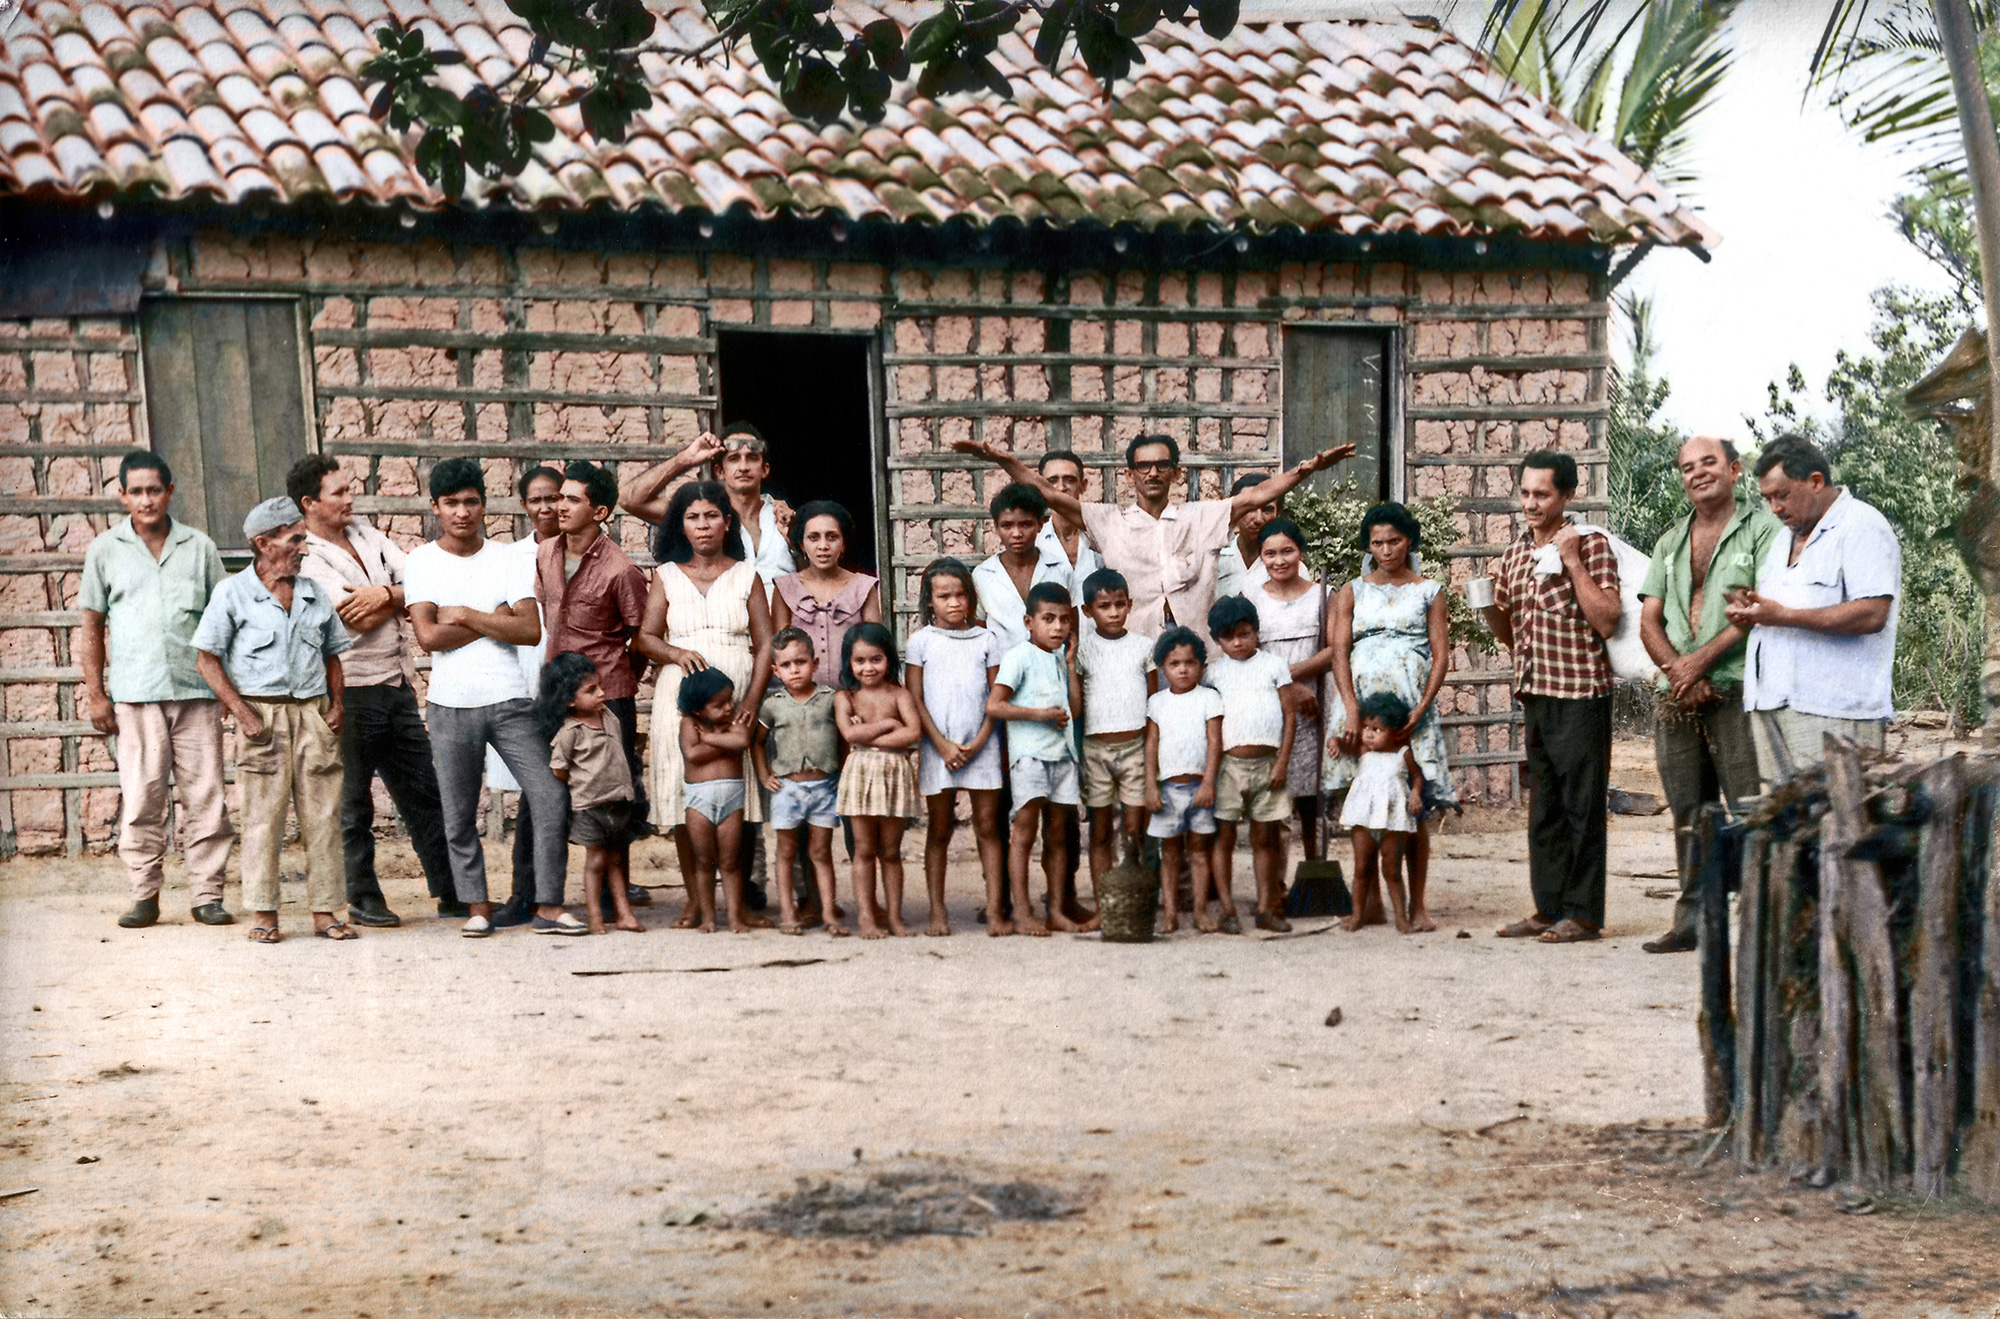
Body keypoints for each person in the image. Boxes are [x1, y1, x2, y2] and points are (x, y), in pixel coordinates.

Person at [952, 432, 1353, 648]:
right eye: (1143, 466)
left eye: (1162, 465)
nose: (1153, 473)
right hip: (1133, 653)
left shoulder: (1202, 516)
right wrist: (1000, 459)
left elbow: (1258, 495)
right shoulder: (1109, 520)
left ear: (1176, 473)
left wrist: (1310, 467)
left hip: (1199, 654)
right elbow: (1049, 493)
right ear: (1129, 475)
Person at [403, 458, 581, 939]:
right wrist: (491, 615)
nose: (463, 512)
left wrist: (462, 614)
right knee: (459, 811)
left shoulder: (507, 558)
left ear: (485, 503)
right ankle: (477, 906)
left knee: (548, 794)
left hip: (509, 700)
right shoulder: (421, 561)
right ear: (436, 507)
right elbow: (428, 637)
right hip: (450, 703)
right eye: (452, 503)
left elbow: (527, 629)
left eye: (472, 502)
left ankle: (548, 903)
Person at [290, 454, 455, 927]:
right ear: (309, 503)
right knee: (353, 802)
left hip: (396, 683)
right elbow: (347, 616)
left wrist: (385, 594)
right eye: (338, 492)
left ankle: (451, 890)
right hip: (349, 690)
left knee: (425, 792)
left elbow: (426, 582)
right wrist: (398, 594)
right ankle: (362, 896)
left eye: (348, 489)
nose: (350, 498)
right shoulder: (307, 556)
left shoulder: (367, 535)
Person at [1637, 437, 1783, 955]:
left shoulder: (1765, 530)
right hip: (1675, 693)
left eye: (1708, 463)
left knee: (1748, 806)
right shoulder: (1671, 540)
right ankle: (1693, 919)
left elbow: (1760, 609)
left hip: (1739, 688)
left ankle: (1757, 925)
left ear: (1734, 469)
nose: (1697, 474)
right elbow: (1649, 619)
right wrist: (1680, 671)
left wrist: (1699, 664)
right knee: (1688, 810)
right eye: (1686, 468)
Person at [81, 452, 233, 931]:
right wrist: (95, 693)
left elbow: (221, 620)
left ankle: (207, 895)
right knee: (143, 795)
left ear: (170, 491)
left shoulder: (199, 547)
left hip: (196, 692)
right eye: (136, 491)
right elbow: (91, 626)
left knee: (206, 795)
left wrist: (229, 692)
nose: (146, 500)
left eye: (155, 490)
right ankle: (144, 894)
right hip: (136, 694)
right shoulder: (105, 551)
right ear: (122, 495)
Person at [191, 498, 352, 944]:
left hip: (313, 715)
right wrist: (242, 712)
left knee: (324, 816)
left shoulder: (314, 592)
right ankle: (264, 914)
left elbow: (333, 654)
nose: (304, 547)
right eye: (295, 538)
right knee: (263, 819)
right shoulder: (232, 593)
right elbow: (207, 660)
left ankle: (326, 912)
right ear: (263, 544)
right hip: (262, 717)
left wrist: (336, 706)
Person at [1482, 451, 1622, 946]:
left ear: (1567, 495)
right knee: (1545, 808)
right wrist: (1486, 606)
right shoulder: (1515, 552)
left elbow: (1607, 619)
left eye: (1542, 494)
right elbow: (1508, 630)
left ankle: (1583, 914)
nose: (1531, 503)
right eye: (1525, 493)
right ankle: (1548, 908)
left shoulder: (1591, 545)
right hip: (1536, 691)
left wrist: (1570, 559)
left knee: (1582, 806)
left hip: (1581, 692)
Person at [1726, 434, 1901, 784]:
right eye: (1768, 498)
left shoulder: (1861, 525)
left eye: (1783, 495)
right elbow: (1782, 607)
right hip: (1772, 705)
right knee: (1785, 829)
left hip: (1834, 713)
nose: (1775, 507)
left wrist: (1783, 616)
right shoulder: (1782, 540)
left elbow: (1872, 614)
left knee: (1838, 827)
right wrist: (1753, 608)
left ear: (1816, 481)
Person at [637, 482, 775, 914]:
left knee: (741, 789)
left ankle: (739, 903)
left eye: (711, 516)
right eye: (693, 517)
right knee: (683, 793)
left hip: (736, 693)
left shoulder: (746, 575)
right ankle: (696, 902)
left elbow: (766, 643)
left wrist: (752, 698)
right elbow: (644, 636)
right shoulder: (667, 576)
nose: (703, 526)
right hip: (680, 697)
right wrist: (676, 653)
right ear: (682, 525)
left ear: (727, 522)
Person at [1326, 503, 1457, 927]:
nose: (1386, 550)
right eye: (1378, 543)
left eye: (1395, 541)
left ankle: (1417, 906)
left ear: (1410, 542)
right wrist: (1349, 708)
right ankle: (1371, 902)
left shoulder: (1429, 591)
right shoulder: (1351, 591)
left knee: (1412, 809)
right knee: (1365, 799)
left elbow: (1441, 656)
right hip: (1362, 709)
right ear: (1368, 545)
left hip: (1411, 706)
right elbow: (1340, 653)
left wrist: (1421, 707)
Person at [536, 462, 651, 919]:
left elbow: (639, 637)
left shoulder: (621, 568)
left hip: (607, 697)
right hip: (557, 693)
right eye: (560, 497)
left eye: (572, 499)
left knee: (611, 795)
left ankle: (613, 901)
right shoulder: (545, 553)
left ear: (599, 511)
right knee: (550, 787)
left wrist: (617, 686)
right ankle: (543, 893)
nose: (559, 506)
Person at [487, 464, 581, 928]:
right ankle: (525, 891)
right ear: (524, 506)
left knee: (588, 782)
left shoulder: (580, 550)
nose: (548, 507)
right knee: (537, 790)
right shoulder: (511, 558)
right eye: (537, 500)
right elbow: (504, 620)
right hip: (529, 679)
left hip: (574, 683)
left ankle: (606, 885)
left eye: (556, 498)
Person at [905, 559, 1005, 938]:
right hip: (937, 746)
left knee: (987, 827)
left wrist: (979, 741)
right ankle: (937, 912)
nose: (953, 603)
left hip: (983, 742)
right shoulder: (921, 642)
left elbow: (997, 695)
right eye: (943, 596)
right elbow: (914, 696)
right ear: (929, 602)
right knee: (940, 829)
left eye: (960, 594)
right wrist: (942, 745)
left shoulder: (987, 639)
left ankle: (995, 910)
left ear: (971, 597)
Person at [985, 582, 1082, 936]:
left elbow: (1075, 708)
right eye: (1048, 619)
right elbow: (995, 705)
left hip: (1062, 756)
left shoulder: (1061, 657)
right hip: (1030, 758)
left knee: (1058, 835)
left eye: (1064, 620)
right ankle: (1023, 912)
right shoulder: (1019, 656)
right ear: (1029, 622)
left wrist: (1070, 664)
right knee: (1024, 833)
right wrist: (1038, 715)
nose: (1057, 627)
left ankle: (1055, 909)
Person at [1202, 595, 1298, 933]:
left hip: (1268, 764)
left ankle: (1265, 907)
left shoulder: (1274, 666)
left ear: (1256, 631)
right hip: (1229, 766)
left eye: (1245, 634)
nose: (1238, 643)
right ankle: (1228, 908)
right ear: (1218, 640)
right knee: (1224, 837)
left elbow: (1290, 715)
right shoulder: (1214, 673)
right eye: (1229, 638)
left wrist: (1282, 762)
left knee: (1263, 838)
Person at [538, 653, 643, 936]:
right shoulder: (570, 731)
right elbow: (559, 769)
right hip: (590, 807)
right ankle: (595, 915)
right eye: (591, 690)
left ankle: (624, 914)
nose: (602, 693)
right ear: (569, 700)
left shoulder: (609, 717)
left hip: (618, 803)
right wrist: (586, 782)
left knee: (617, 859)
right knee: (596, 861)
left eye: (599, 686)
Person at [618, 425, 795, 585]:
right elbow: (628, 499)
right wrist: (686, 458)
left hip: (785, 619)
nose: (743, 467)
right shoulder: (704, 517)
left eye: (752, 458)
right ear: (719, 471)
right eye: (733, 458)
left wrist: (793, 536)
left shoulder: (784, 517)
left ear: (765, 470)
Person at [1248, 520, 1332, 855]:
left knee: (1310, 793)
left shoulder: (1323, 595)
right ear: (1261, 557)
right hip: (1269, 701)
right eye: (1270, 553)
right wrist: (1288, 686)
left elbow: (1334, 649)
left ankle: (1314, 860)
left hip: (1314, 701)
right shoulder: (1251, 598)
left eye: (1287, 551)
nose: (1279, 560)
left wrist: (1296, 679)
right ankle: (1274, 882)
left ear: (1301, 552)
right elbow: (1248, 654)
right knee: (1273, 791)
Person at [835, 622, 924, 938]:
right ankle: (866, 918)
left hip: (893, 775)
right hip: (860, 776)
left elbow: (913, 732)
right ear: (849, 662)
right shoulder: (846, 698)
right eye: (860, 661)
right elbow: (849, 733)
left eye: (876, 659)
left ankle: (896, 918)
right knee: (863, 850)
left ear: (889, 659)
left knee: (890, 850)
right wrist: (888, 725)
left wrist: (869, 736)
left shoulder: (900, 694)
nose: (868, 667)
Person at [1071, 568, 1156, 900]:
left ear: (1130, 605)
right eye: (1104, 606)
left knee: (1135, 829)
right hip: (1096, 749)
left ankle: (1133, 895)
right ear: (1087, 611)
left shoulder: (1144, 647)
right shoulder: (1082, 651)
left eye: (1119, 604)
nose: (1113, 612)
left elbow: (1153, 703)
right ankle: (1104, 899)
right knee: (1100, 828)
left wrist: (1152, 750)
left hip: (1135, 746)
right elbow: (1076, 703)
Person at [753, 628, 843, 936]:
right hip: (787, 789)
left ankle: (830, 914)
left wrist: (840, 772)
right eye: (787, 665)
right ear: (775, 670)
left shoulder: (831, 699)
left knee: (821, 852)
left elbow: (843, 738)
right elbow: (757, 742)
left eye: (801, 662)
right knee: (786, 852)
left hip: (823, 788)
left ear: (814, 663)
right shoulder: (773, 704)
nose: (795, 670)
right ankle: (789, 914)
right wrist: (764, 774)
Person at [1143, 627, 1222, 935]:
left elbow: (1214, 743)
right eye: (1174, 664)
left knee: (1200, 852)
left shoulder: (1209, 698)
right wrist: (1151, 784)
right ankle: (1171, 914)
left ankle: (1200, 911)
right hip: (1168, 789)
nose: (1183, 669)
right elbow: (1151, 745)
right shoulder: (1158, 702)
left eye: (1189, 663)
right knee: (1171, 853)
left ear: (1201, 665)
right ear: (1163, 667)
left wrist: (1208, 783)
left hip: (1199, 787)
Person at [677, 668, 759, 933]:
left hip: (731, 799)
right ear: (699, 710)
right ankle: (709, 917)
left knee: (730, 862)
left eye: (730, 699)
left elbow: (742, 739)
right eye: (719, 704)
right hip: (699, 800)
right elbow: (693, 753)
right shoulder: (688, 723)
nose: (729, 707)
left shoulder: (731, 718)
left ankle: (735, 917)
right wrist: (725, 741)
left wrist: (710, 738)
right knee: (703, 861)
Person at [1339, 693, 1429, 934]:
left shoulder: (1402, 754)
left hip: (1392, 819)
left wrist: (1415, 794)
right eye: (1366, 727)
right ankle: (1357, 914)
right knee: (1361, 869)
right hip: (1363, 817)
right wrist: (1334, 744)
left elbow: (1418, 776)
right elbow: (1343, 745)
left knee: (1391, 870)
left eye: (1377, 729)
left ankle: (1401, 916)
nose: (1368, 733)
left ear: (1395, 732)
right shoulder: (1363, 752)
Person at [772, 500, 882, 690]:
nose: (823, 546)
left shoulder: (863, 587)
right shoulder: (785, 589)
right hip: (803, 703)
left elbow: (876, 645)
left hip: (855, 698)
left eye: (832, 537)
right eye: (813, 537)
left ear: (843, 543)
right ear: (801, 543)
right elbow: (780, 650)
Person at [972, 483, 1077, 653]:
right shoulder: (983, 574)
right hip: (1003, 673)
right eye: (1007, 526)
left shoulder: (1059, 568)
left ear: (1040, 525)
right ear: (996, 528)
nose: (1016, 534)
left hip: (1052, 671)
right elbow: (979, 629)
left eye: (1026, 525)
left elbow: (1071, 622)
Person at [1033, 451, 1103, 589]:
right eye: (1052, 481)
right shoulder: (1036, 542)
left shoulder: (1102, 536)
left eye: (1069, 480)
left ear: (1083, 486)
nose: (1061, 488)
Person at [1215, 473, 1279, 599]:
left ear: (1278, 513)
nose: (1258, 519)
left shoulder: (1289, 566)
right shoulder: (1215, 561)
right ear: (1234, 511)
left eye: (1267, 509)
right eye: (1250, 509)